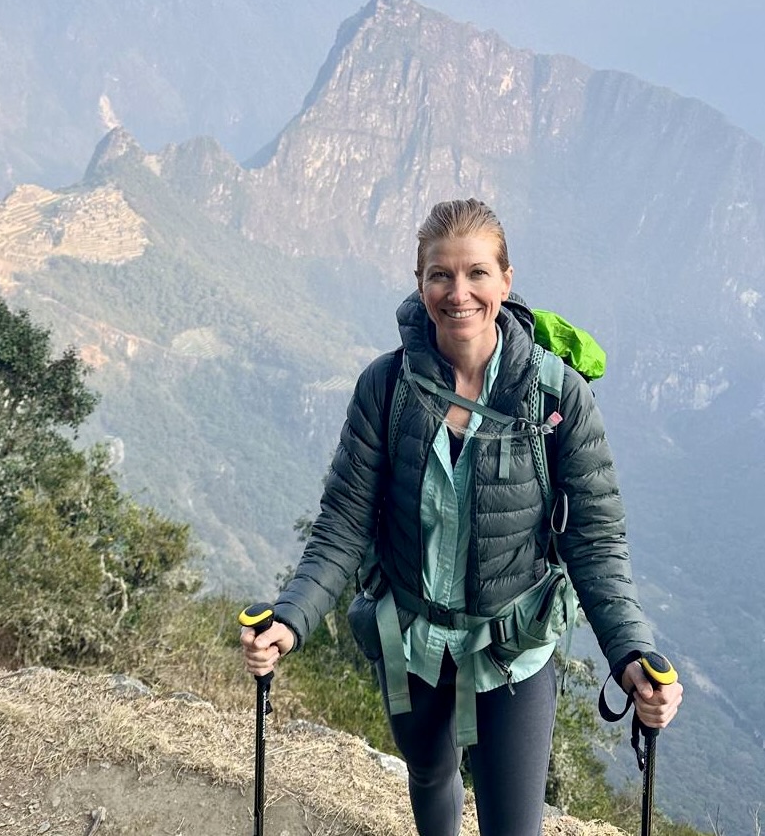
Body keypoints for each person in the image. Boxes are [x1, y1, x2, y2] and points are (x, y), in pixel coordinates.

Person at [240, 198, 683, 836]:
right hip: (412, 643)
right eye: (440, 275)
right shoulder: (386, 388)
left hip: (512, 649)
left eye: (477, 273)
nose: (459, 293)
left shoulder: (557, 398)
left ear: (506, 280)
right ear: (419, 284)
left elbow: (595, 542)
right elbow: (342, 523)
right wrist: (292, 618)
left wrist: (632, 653)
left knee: (514, 825)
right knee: (428, 779)